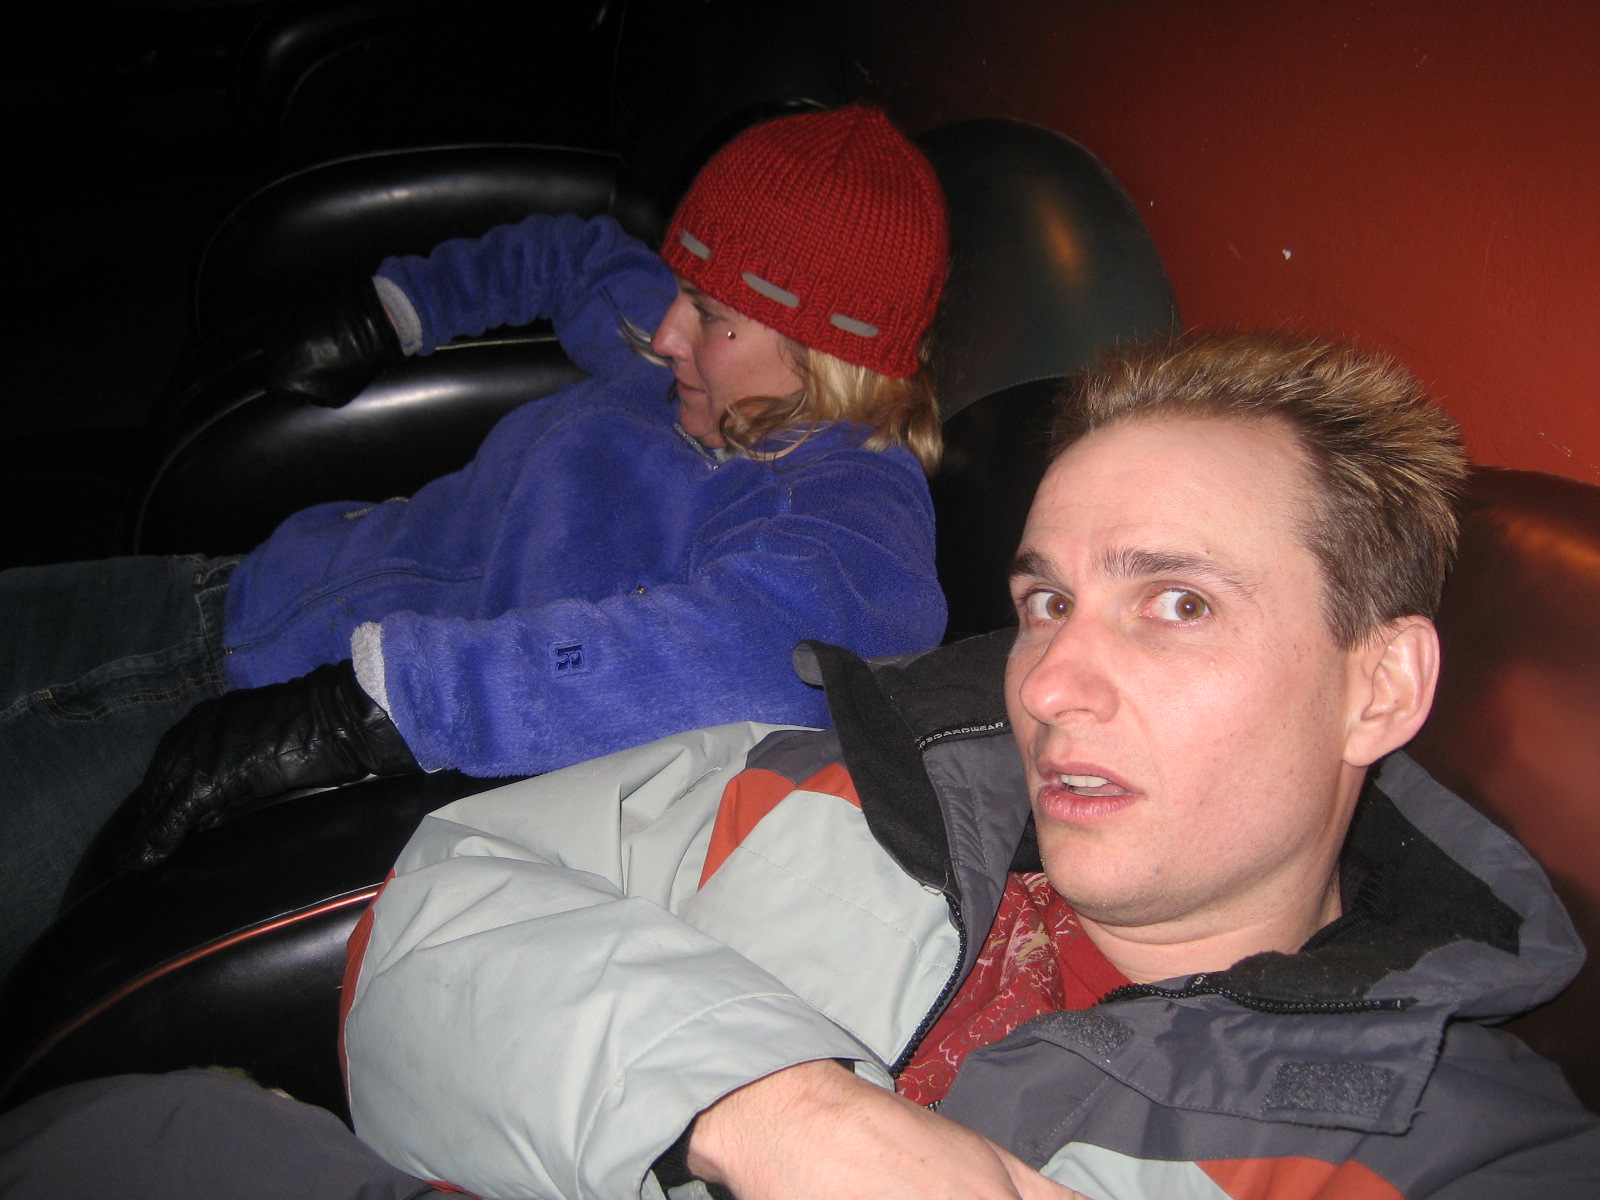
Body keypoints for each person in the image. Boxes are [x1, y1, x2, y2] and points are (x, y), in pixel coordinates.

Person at [6, 331, 1597, 1199]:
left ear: (1379, 684)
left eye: (1175, 603)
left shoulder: (1465, 1146)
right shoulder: (849, 780)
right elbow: (429, 909)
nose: (1051, 679)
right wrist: (775, 1109)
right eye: (1046, 599)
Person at [0, 104, 950, 982]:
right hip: (235, 587)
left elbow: (758, 656)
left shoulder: (851, 505)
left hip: (262, 714)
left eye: (710, 314)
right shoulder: (694, 374)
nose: (665, 333)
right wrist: (396, 308)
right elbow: (575, 255)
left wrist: (365, 710)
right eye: (682, 292)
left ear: (825, 349)